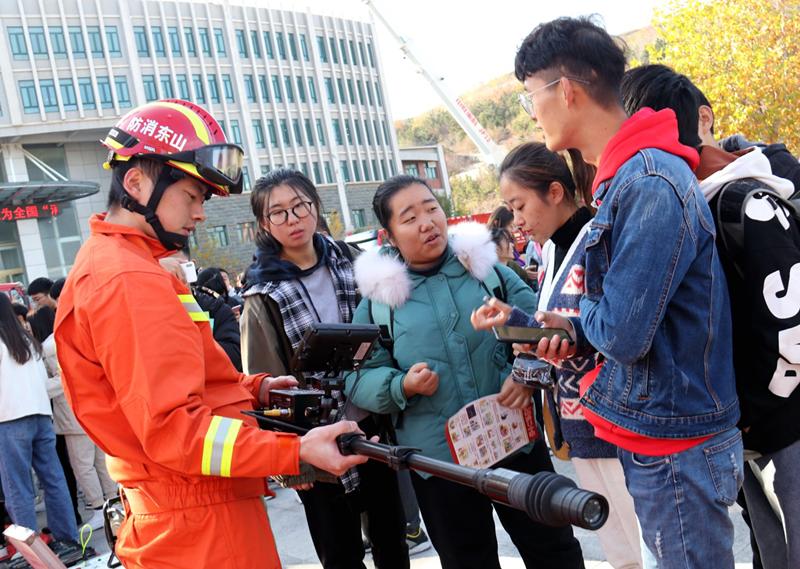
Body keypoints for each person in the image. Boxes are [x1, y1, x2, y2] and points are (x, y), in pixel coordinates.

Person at [53, 99, 370, 569]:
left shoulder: (130, 268)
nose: (200, 213)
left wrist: (254, 389)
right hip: (199, 525)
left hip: (190, 512)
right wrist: (294, 450)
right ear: (137, 181)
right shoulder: (128, 280)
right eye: (191, 196)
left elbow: (183, 383)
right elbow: (173, 429)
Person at [509, 17, 741, 568]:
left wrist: (580, 315)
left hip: (674, 442)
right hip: (662, 431)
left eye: (529, 97)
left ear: (565, 90)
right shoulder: (631, 176)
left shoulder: (648, 182)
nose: (532, 112)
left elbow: (624, 332)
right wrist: (569, 325)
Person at [344, 174, 585, 569]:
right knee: (466, 560)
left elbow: (542, 328)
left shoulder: (487, 270)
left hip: (513, 438)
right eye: (409, 217)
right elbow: (358, 376)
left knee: (553, 547)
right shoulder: (378, 301)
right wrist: (401, 385)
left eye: (431, 208)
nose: (427, 222)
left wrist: (524, 372)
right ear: (389, 235)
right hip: (439, 461)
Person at [621, 63, 800, 569]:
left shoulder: (745, 200)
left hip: (779, 426)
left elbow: (789, 329)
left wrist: (752, 414)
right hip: (749, 431)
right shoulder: (686, 205)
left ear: (703, 120)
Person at [473, 142, 643, 569]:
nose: (517, 220)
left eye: (520, 204)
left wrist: (551, 335)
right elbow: (559, 323)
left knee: (643, 546)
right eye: (510, 208)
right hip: (580, 425)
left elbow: (612, 330)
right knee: (619, 550)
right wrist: (515, 319)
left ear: (554, 192)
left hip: (616, 423)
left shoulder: (596, 242)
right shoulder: (551, 251)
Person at [240, 168, 412, 569]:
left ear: (315, 207)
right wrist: (292, 459)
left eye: (300, 206)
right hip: (315, 437)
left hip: (373, 423)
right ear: (265, 225)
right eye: (278, 213)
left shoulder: (353, 262)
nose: (293, 219)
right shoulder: (262, 295)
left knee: (391, 538)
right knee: (340, 551)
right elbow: (269, 383)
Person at [0, 294, 81, 562]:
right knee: (53, 480)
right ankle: (67, 539)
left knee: (18, 487)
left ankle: (31, 552)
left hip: (10, 419)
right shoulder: (27, 340)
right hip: (41, 416)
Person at [29, 307, 118, 530]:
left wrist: (37, 387)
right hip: (91, 409)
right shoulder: (69, 338)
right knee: (100, 461)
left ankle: (99, 508)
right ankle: (113, 502)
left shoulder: (49, 347)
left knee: (82, 466)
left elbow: (62, 380)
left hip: (71, 415)